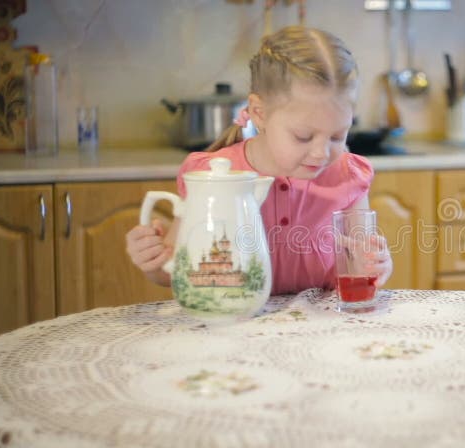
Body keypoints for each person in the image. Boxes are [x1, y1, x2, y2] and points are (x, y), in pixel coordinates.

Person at [125, 26, 393, 294]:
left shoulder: (348, 175)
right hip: (235, 329)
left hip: (320, 328)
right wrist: (152, 261)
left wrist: (375, 265)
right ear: (259, 112)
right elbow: (174, 269)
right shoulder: (213, 175)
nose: (321, 153)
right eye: (303, 136)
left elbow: (359, 268)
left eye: (337, 135)